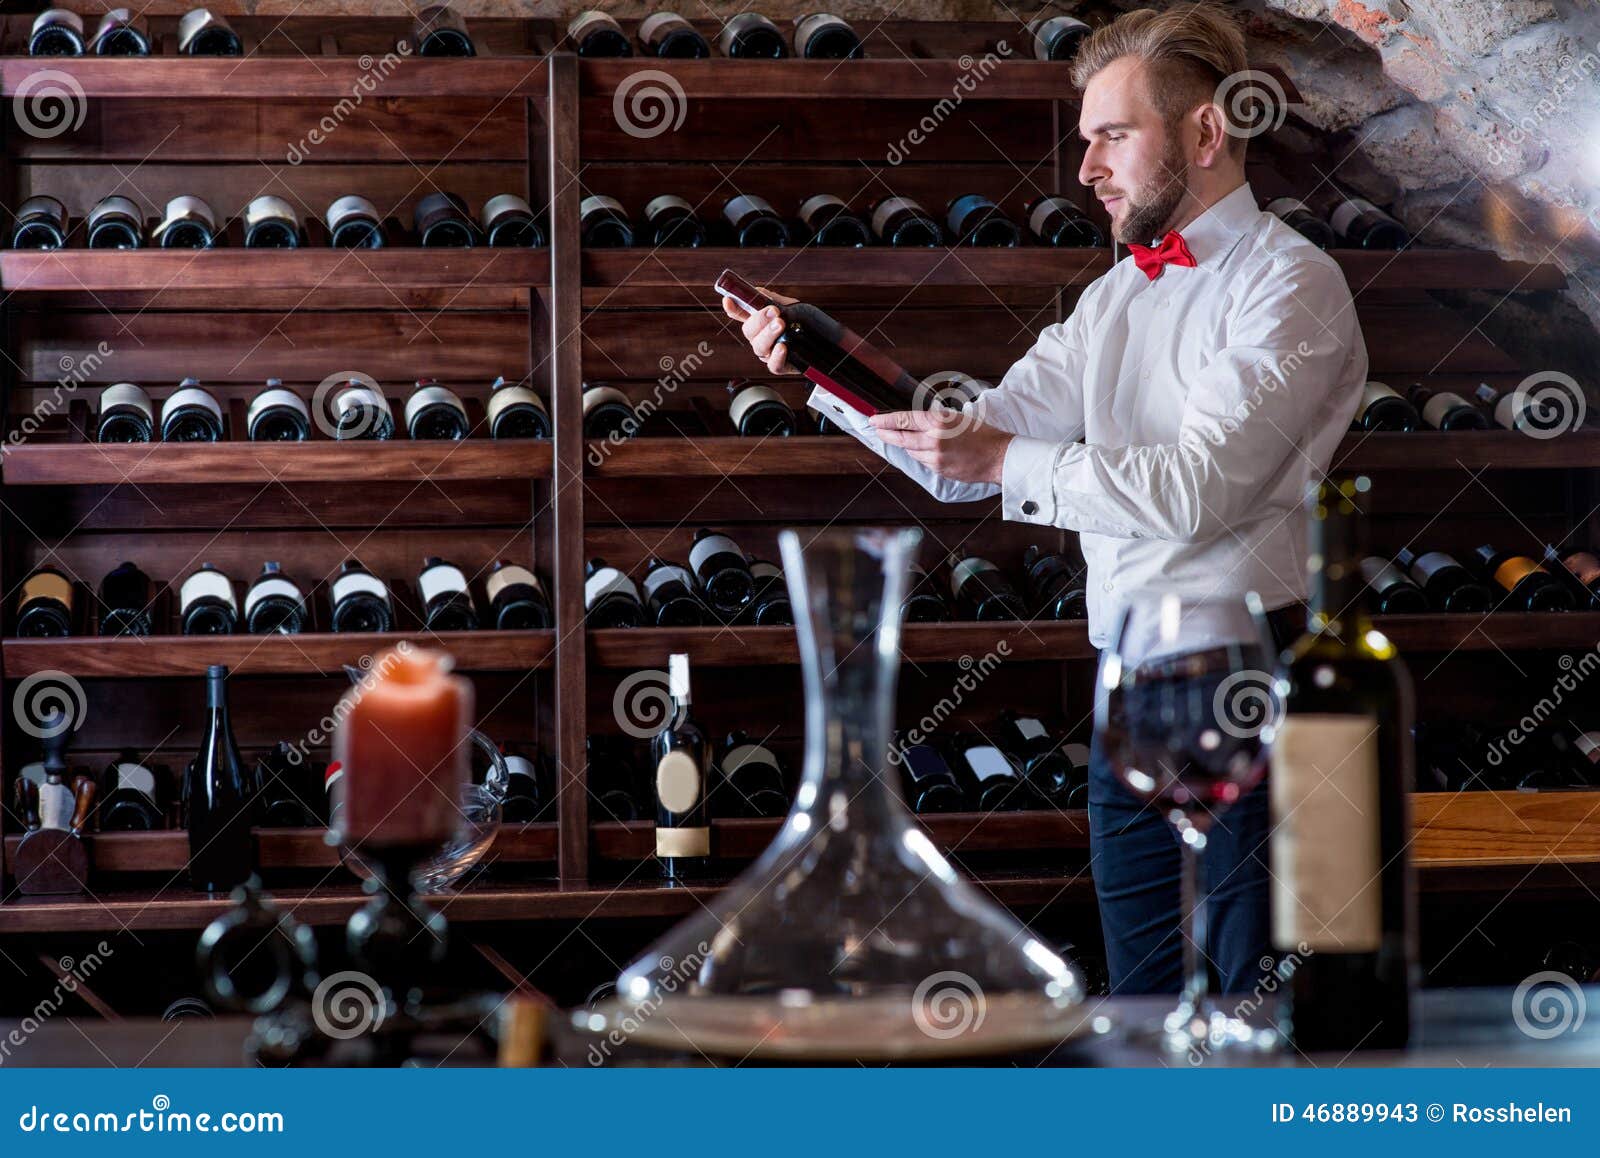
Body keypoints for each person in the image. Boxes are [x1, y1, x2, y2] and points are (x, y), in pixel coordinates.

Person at [723, 4, 1370, 997]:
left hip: (1253, 686)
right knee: (1143, 1003)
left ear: (1204, 133)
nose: (1085, 170)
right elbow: (960, 452)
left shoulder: (1292, 286)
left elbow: (1198, 490)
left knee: (1253, 1007)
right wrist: (819, 360)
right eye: (1085, 142)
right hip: (1128, 692)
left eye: (1113, 136)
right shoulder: (1109, 302)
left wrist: (1004, 458)